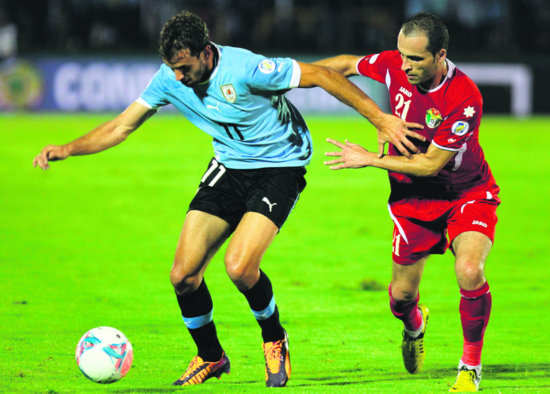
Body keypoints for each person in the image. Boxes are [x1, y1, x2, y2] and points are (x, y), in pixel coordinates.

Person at [33, 10, 423, 387]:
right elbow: (121, 127)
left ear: (206, 52)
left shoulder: (246, 68)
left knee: (239, 267)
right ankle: (210, 355)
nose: (178, 77)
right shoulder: (170, 79)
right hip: (229, 167)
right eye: (172, 68)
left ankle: (274, 337)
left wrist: (380, 118)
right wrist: (68, 149)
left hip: (279, 168)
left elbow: (320, 74)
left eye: (184, 67)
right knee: (183, 276)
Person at [319, 12, 499, 392]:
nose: (405, 66)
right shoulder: (395, 65)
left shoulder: (465, 98)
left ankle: (470, 367)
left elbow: (432, 164)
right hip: (412, 201)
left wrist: (370, 158)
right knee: (400, 297)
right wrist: (293, 79)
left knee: (469, 271)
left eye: (416, 59)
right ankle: (414, 324)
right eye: (402, 56)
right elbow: (346, 65)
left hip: (465, 193)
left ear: (440, 55)